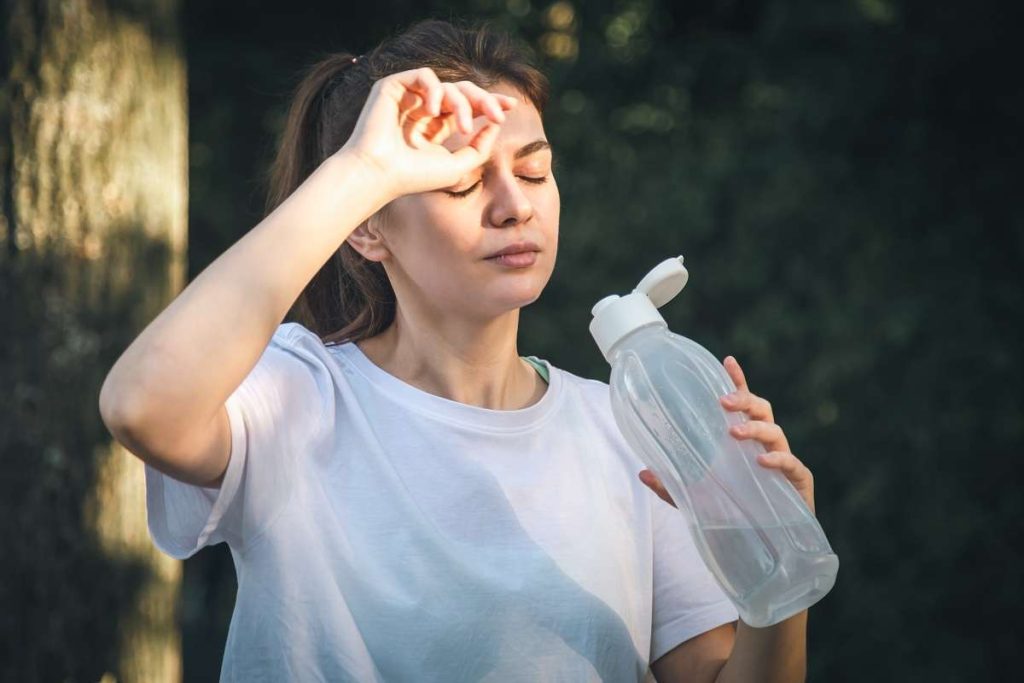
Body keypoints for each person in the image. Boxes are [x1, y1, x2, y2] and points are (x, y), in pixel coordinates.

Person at [99, 17, 816, 683]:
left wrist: (779, 553)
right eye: (462, 179)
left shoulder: (629, 433)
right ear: (367, 228)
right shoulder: (299, 395)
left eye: (534, 171)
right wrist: (360, 172)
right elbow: (140, 405)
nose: (515, 205)